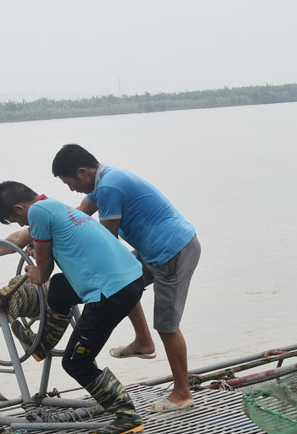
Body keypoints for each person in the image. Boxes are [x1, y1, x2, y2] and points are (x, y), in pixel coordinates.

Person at [0, 181, 146, 434]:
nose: (21, 225)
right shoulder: (52, 206)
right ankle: (41, 344)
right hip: (128, 277)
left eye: (16, 219)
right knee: (60, 287)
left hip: (111, 292)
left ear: (21, 208)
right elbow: (22, 239)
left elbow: (43, 270)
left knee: (76, 362)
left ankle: (126, 415)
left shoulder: (37, 212)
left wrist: (35, 273)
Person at [51, 144, 200, 413]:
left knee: (166, 325)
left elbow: (107, 241)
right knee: (123, 279)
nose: (71, 188)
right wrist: (44, 238)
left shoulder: (109, 187)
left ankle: (182, 393)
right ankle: (143, 342)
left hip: (173, 251)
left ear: (83, 172)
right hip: (155, 250)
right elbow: (77, 216)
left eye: (69, 182)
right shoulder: (105, 181)